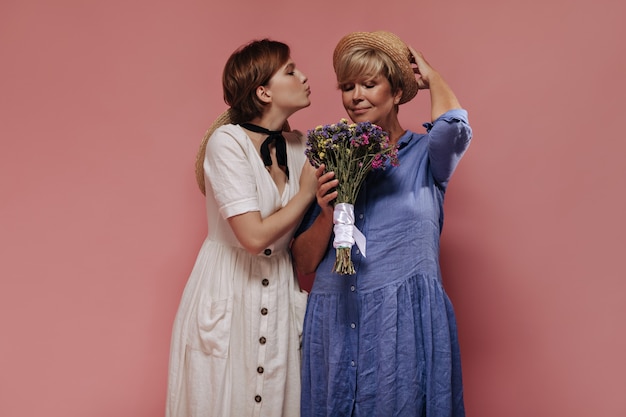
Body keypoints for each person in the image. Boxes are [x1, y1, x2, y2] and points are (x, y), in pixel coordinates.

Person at [292, 31, 473, 417]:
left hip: (401, 324)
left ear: (396, 92)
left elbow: (453, 129)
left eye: (369, 84)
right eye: (347, 86)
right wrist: (328, 212)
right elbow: (304, 262)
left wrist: (432, 78)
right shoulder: (332, 156)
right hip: (335, 320)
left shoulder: (427, 157)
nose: (356, 96)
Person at [166, 38, 318, 417]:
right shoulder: (227, 143)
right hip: (228, 290)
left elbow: (302, 247)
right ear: (263, 91)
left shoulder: (303, 147)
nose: (304, 76)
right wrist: (307, 192)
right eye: (290, 70)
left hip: (281, 292)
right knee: (219, 398)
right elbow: (251, 237)